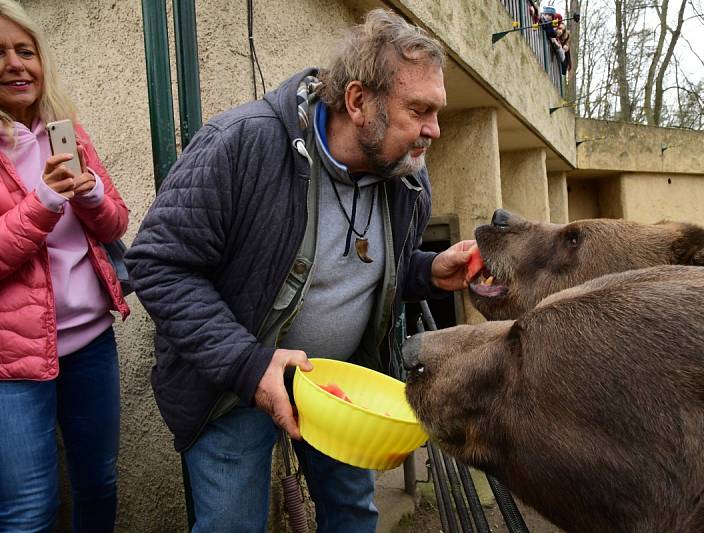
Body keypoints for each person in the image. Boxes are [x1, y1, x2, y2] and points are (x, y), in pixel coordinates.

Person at [125, 8, 474, 533]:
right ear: (357, 102)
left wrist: (427, 272)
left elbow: (367, 271)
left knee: (353, 516)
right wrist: (248, 365)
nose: (434, 130)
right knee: (231, 526)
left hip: (342, 392)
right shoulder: (242, 142)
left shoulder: (408, 178)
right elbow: (156, 264)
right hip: (233, 384)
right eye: (419, 110)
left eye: (437, 111)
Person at [0, 1, 130, 531]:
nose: (15, 64)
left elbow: (116, 224)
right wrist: (45, 201)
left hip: (91, 345)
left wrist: (92, 193)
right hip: (12, 363)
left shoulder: (67, 134)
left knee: (98, 484)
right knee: (29, 511)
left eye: (25, 51)